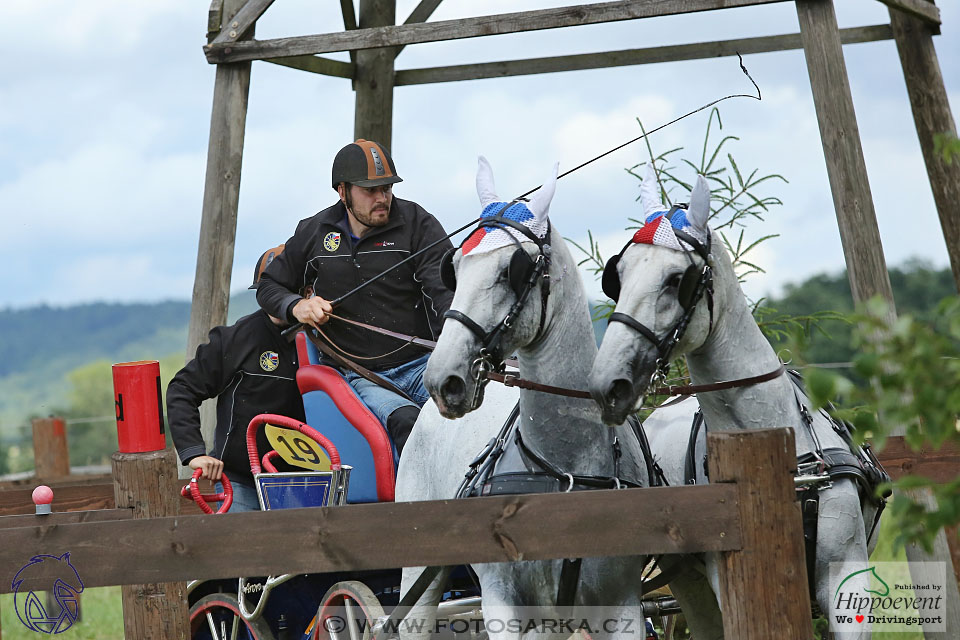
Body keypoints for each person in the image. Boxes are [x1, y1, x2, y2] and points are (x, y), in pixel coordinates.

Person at [256, 139, 453, 454]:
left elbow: (445, 294)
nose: (382, 198)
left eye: (386, 188)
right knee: (409, 422)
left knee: (468, 417)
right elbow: (269, 287)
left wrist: (452, 355)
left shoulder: (418, 223)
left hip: (422, 364)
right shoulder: (315, 231)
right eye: (369, 190)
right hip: (361, 375)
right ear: (342, 191)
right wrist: (297, 306)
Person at [167, 245, 305, 512]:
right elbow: (182, 389)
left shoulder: (325, 341)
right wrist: (194, 453)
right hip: (242, 481)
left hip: (306, 480)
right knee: (240, 550)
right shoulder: (235, 339)